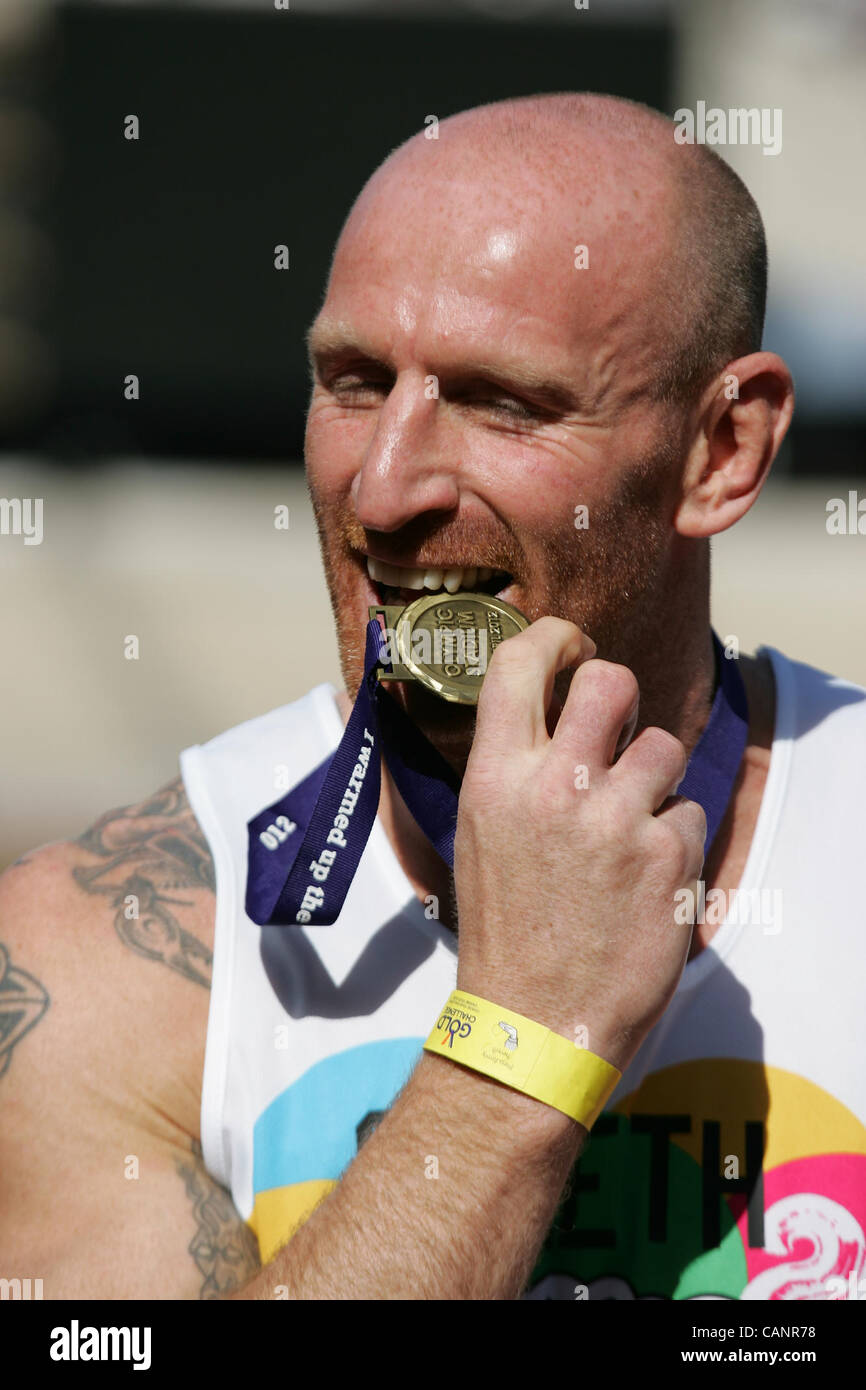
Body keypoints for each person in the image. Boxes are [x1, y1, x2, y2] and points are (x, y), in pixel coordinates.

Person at [1, 91, 864, 1303]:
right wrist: (517, 1049)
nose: (385, 486)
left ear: (720, 450)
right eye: (352, 381)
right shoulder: (102, 956)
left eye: (501, 400)